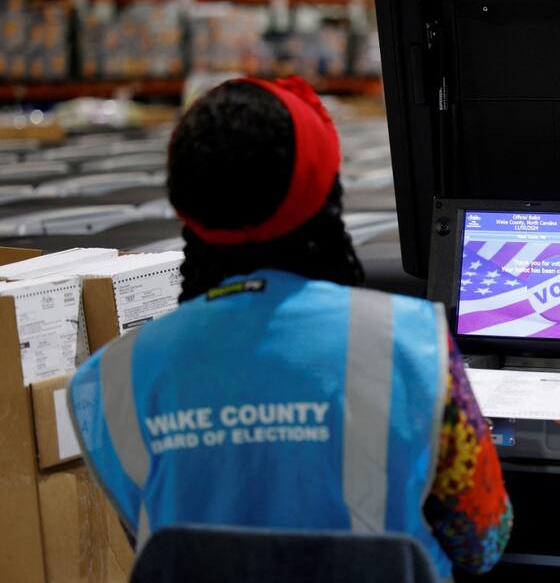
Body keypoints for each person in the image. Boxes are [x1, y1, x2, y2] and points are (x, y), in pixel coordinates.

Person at [67, 76, 512, 580]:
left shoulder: (106, 382)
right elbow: (483, 540)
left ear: (186, 204)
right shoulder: (413, 343)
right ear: (326, 193)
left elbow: (163, 549)